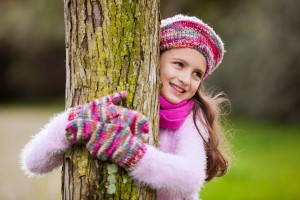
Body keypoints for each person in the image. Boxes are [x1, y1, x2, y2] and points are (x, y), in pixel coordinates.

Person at [20, 14, 230, 200]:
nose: (186, 79)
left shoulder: (192, 117)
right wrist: (71, 122)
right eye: (179, 64)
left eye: (197, 74)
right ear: (155, 60)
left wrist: (131, 153)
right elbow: (33, 163)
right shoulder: (119, 101)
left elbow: (191, 178)